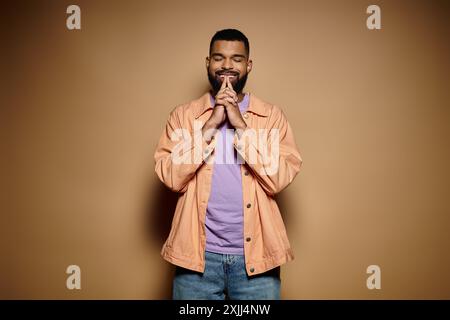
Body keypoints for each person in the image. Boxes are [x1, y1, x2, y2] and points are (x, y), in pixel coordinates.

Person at [154, 28, 303, 300]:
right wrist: (211, 124)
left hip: (257, 258)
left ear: (248, 65)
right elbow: (170, 176)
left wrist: (240, 125)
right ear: (208, 63)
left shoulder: (272, 117)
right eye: (218, 58)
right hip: (196, 260)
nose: (227, 65)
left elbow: (279, 178)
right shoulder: (184, 116)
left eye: (236, 58)